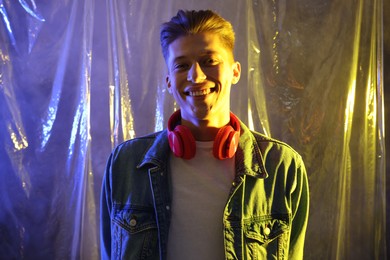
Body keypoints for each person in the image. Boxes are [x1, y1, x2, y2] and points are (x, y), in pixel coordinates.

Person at [100, 9, 309, 260]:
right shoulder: (125, 164)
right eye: (182, 65)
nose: (196, 76)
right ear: (169, 81)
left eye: (209, 61)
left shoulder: (283, 167)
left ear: (235, 71)